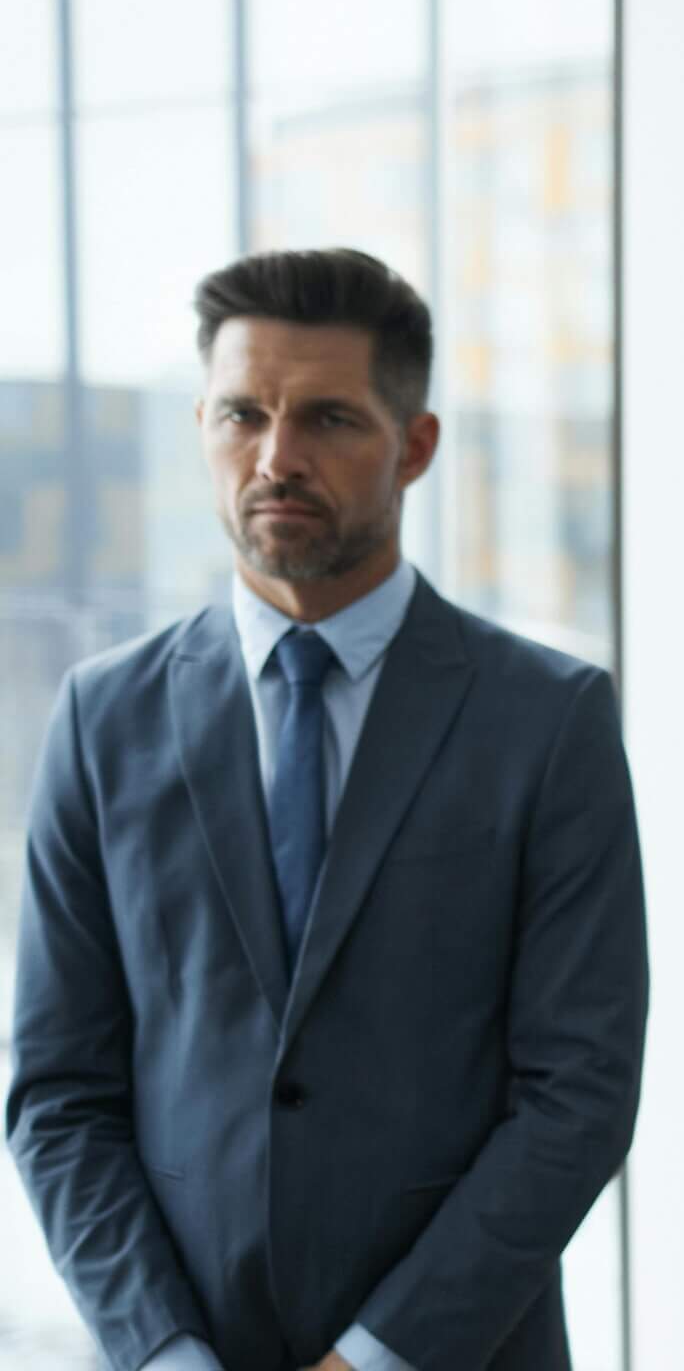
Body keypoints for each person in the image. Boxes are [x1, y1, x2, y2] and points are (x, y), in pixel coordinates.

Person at [8, 249, 650, 1371]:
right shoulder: (100, 719)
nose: (275, 458)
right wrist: (161, 1351)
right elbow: (59, 1093)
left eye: (329, 420)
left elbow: (579, 1093)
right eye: (241, 414)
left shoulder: (550, 721)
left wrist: (378, 1357)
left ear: (415, 446)